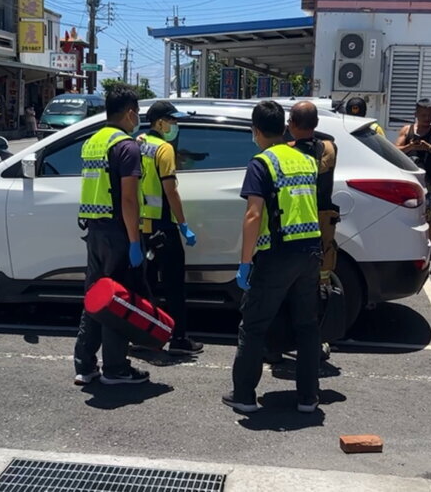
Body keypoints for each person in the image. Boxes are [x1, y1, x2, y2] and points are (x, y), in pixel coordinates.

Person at [223, 100, 322, 414]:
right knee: (307, 327)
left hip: (277, 254)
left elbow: (254, 215)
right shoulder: (306, 160)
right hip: (310, 251)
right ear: (284, 127)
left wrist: (245, 262)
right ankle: (308, 398)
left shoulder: (261, 163)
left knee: (253, 326)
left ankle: (244, 396)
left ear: (255, 131)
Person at [73, 85, 151, 385]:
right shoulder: (127, 148)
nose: (138, 119)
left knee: (95, 296)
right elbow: (129, 200)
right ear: (130, 113)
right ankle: (116, 368)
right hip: (119, 232)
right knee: (118, 301)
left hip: (94, 230)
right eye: (137, 114)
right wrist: (134, 242)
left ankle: (85, 364)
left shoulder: (94, 142)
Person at [265, 102, 339, 364]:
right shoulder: (328, 148)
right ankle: (313, 345)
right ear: (316, 124)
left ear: (291, 124)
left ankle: (274, 347)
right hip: (320, 233)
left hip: (287, 230)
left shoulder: (285, 152)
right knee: (313, 293)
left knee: (278, 292)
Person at [140, 100, 203, 355]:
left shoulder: (137, 143)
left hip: (142, 226)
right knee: (174, 286)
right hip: (164, 226)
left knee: (146, 286)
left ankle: (144, 336)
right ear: (159, 122)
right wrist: (183, 224)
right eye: (172, 120)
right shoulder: (164, 149)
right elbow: (171, 191)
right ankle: (178, 339)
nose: (175, 125)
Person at [395, 99, 431, 260]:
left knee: (429, 215)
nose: (427, 118)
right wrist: (410, 147)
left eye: (430, 115)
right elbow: (395, 150)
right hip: (409, 181)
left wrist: (428, 147)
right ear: (416, 114)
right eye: (423, 115)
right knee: (406, 214)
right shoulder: (407, 130)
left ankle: (430, 247)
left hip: (428, 181)